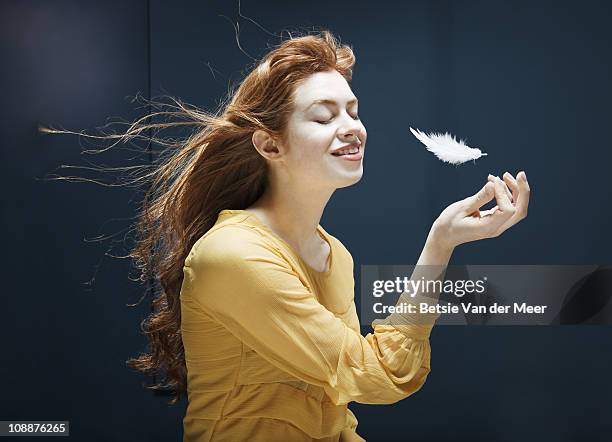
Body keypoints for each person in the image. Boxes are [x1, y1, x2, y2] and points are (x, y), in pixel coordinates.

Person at [40, 28, 530, 442]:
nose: (352, 128)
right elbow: (378, 375)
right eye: (324, 116)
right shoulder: (233, 255)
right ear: (269, 143)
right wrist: (439, 245)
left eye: (354, 111)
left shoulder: (333, 253)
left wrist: (444, 241)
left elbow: (336, 404)